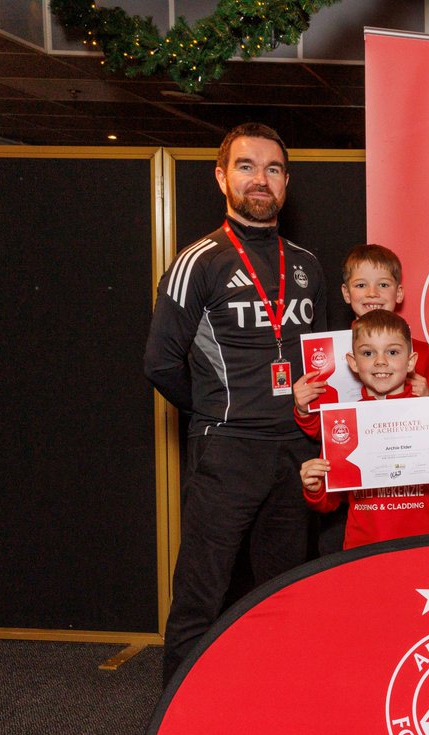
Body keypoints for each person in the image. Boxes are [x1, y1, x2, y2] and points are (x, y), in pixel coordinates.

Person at [144, 123, 326, 682]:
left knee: (285, 586)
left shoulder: (308, 265)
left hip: (295, 450)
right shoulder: (198, 261)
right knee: (204, 586)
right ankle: (176, 712)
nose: (260, 179)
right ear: (222, 176)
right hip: (226, 449)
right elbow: (160, 363)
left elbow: (319, 364)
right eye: (247, 166)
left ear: (286, 182)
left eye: (273, 169)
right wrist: (213, 413)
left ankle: (276, 694)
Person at [299, 310, 429, 547]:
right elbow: (328, 503)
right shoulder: (345, 421)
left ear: (411, 361)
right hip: (361, 552)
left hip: (420, 550)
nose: (380, 361)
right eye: (367, 353)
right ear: (353, 362)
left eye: (392, 352)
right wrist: (314, 487)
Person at [294, 243, 429, 425]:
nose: (372, 293)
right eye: (361, 285)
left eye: (383, 284)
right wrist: (304, 410)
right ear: (346, 293)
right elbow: (327, 431)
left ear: (398, 293)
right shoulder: (326, 354)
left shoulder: (422, 353)